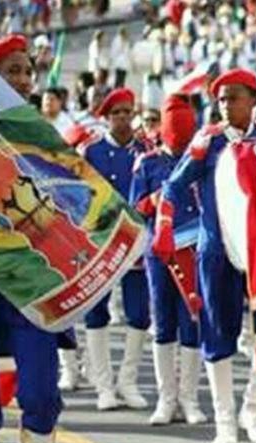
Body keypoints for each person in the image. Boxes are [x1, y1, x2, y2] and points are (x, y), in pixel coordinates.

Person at [151, 68, 256, 443]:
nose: (226, 105)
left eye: (234, 97)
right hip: (216, 250)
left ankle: (252, 409)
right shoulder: (208, 140)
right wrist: (165, 224)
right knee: (218, 334)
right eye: (220, 99)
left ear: (254, 101)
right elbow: (174, 183)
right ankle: (225, 423)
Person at [0, 33, 63, 443]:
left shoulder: (48, 137)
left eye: (26, 71)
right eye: (11, 70)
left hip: (35, 278)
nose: (22, 79)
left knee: (40, 392)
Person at [129, 95, 207, 426]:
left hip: (194, 249)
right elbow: (132, 210)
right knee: (162, 322)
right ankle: (166, 398)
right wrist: (154, 200)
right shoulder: (147, 163)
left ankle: (189, 398)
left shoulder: (202, 160)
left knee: (191, 322)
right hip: (159, 253)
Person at [80, 88, 151, 412]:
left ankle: (128, 380)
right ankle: (103, 385)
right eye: (116, 113)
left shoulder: (146, 151)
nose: (123, 118)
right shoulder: (91, 152)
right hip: (102, 243)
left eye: (127, 112)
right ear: (107, 118)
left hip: (136, 244)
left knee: (138, 314)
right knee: (97, 314)